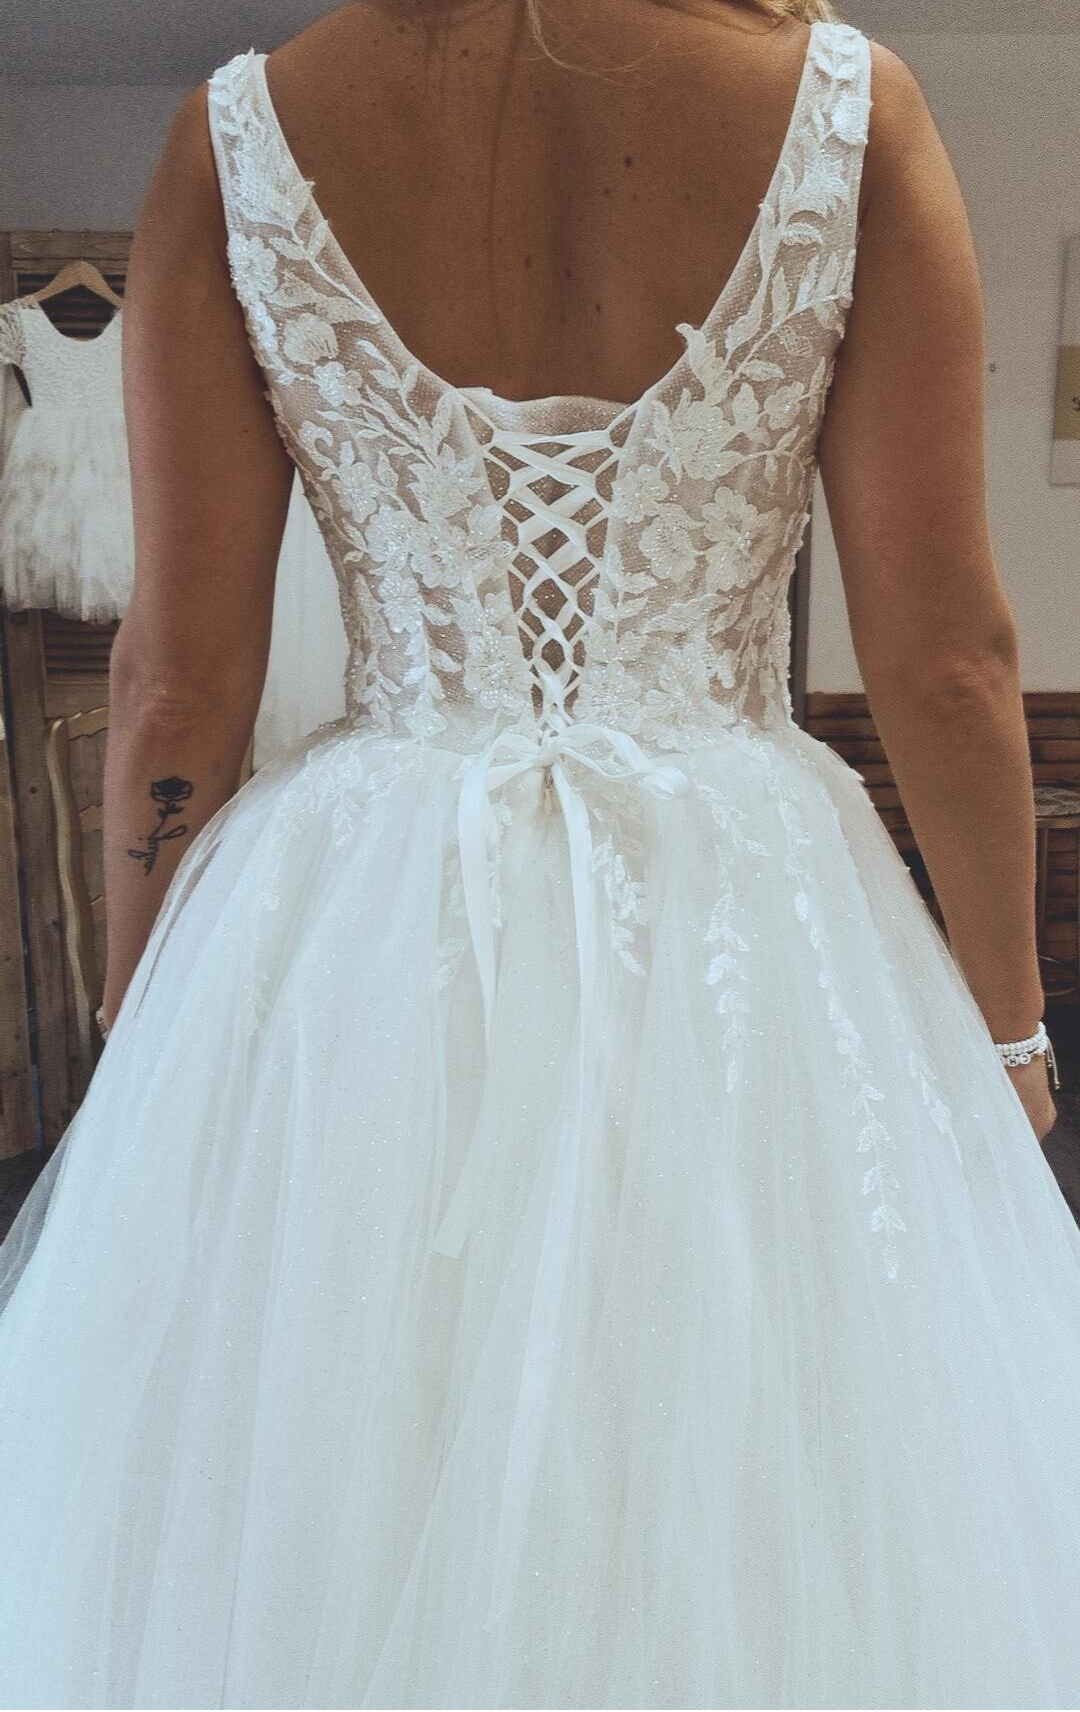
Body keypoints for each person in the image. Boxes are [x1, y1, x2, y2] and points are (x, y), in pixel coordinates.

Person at [1, 2, 1078, 1706]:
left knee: (341, 1442)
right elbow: (948, 663)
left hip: (369, 905)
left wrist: (150, 1023)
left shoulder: (241, 137)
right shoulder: (847, 111)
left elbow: (177, 682)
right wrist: (1010, 1038)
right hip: (747, 900)